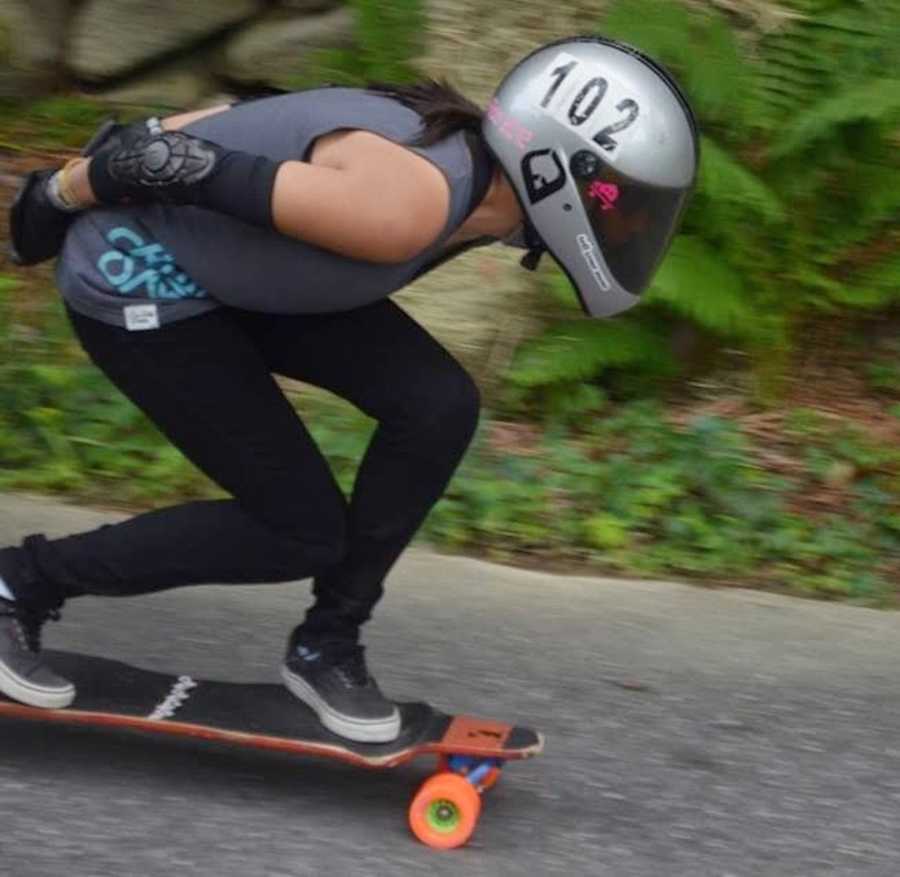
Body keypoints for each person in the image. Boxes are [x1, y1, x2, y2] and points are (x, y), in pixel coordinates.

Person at [1, 37, 699, 743]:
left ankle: (326, 646)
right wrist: (60, 194)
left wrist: (133, 155)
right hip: (136, 280)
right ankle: (20, 581)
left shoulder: (470, 184)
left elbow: (238, 119)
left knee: (437, 404)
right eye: (623, 201)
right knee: (297, 530)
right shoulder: (407, 204)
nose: (630, 224)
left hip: (239, 277)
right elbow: (170, 165)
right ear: (555, 171)